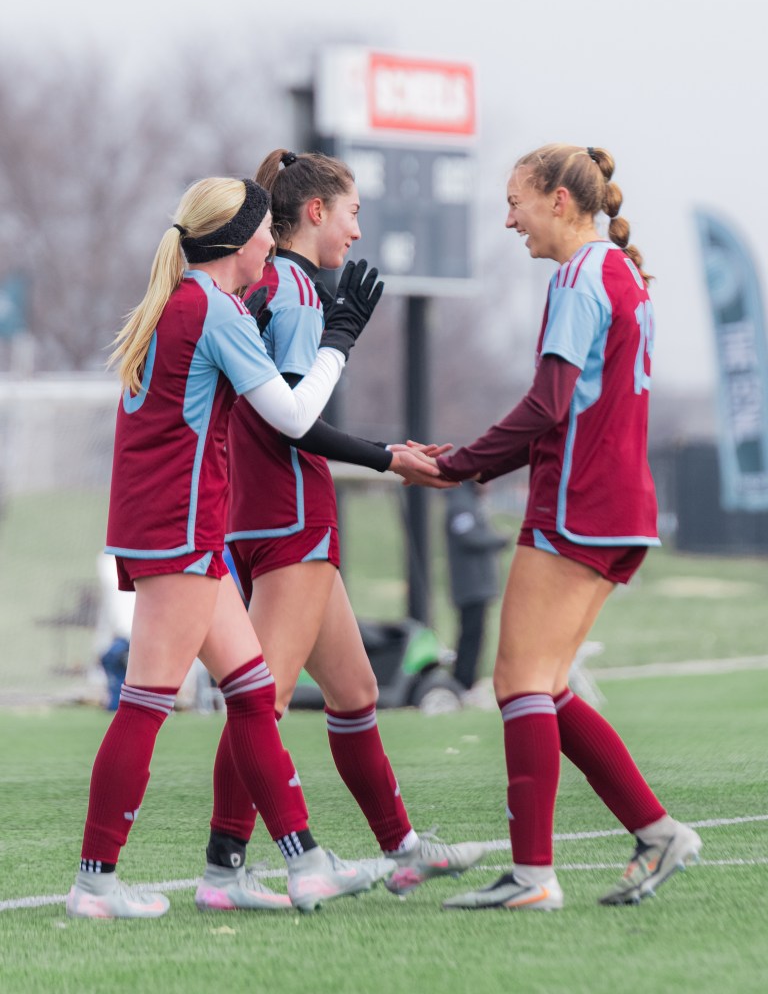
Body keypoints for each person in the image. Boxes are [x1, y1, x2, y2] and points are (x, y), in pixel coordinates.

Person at [66, 175, 395, 920]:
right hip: (179, 531)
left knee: (251, 696)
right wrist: (340, 343)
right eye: (263, 232)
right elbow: (292, 415)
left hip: (185, 530)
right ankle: (94, 884)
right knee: (145, 703)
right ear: (246, 241)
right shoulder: (212, 308)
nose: (270, 243)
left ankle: (295, 865)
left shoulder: (187, 301)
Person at [426, 144, 702, 911]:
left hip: (579, 504)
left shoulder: (581, 278)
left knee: (517, 682)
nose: (507, 218)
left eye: (515, 201)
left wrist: (458, 465)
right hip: (621, 508)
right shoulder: (621, 274)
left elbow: (549, 406)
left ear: (558, 199)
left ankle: (532, 875)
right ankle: (657, 833)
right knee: (544, 686)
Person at [220, 148, 487, 902]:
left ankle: (402, 848)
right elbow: (299, 424)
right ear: (315, 213)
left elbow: (285, 416)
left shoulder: (267, 282)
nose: (358, 232)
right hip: (290, 512)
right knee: (259, 698)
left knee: (356, 690)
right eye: (353, 213)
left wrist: (384, 452)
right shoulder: (300, 291)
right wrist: (386, 458)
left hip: (261, 509)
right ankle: (225, 867)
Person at [443, 481, 510, 695]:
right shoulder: (461, 503)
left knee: (475, 635)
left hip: (477, 585)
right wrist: (498, 539)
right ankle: (462, 684)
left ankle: (466, 682)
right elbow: (469, 537)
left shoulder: (469, 501)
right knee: (470, 636)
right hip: (470, 584)